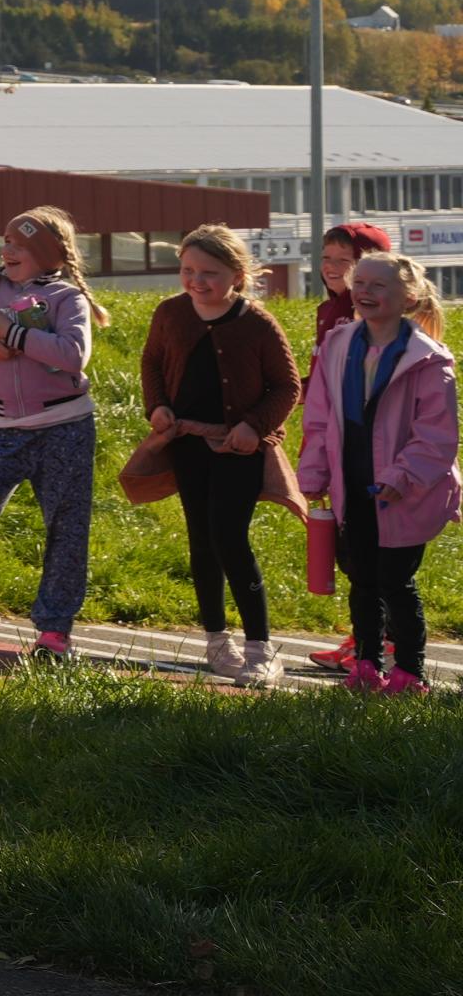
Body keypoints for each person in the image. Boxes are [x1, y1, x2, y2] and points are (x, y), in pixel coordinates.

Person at [134, 222, 301, 683]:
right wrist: (158, 406)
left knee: (229, 537)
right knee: (201, 541)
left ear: (237, 274)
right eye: (188, 270)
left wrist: (254, 426)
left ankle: (261, 647)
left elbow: (287, 386)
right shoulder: (170, 313)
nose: (196, 281)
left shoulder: (257, 322)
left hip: (237, 448)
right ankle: (216, 639)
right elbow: (151, 360)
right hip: (187, 444)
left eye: (208, 272)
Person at [0, 207, 98, 663]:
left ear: (46, 254)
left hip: (65, 426)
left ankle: (54, 630)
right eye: (5, 241)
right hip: (4, 427)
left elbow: (73, 355)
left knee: (65, 528)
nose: (7, 251)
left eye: (20, 245)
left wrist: (17, 336)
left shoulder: (68, 297)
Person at [297, 250, 457, 696]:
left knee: (397, 582)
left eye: (377, 285)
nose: (364, 292)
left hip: (406, 489)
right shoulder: (338, 344)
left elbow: (437, 437)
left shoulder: (429, 359)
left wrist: (402, 476)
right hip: (352, 479)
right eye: (359, 283)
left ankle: (409, 672)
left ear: (407, 298)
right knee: (362, 578)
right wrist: (313, 473)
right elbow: (318, 417)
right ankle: (366, 665)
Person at [314, 220, 396, 347]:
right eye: (326, 257)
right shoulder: (325, 309)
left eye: (343, 260)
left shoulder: (375, 312)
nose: (330, 265)